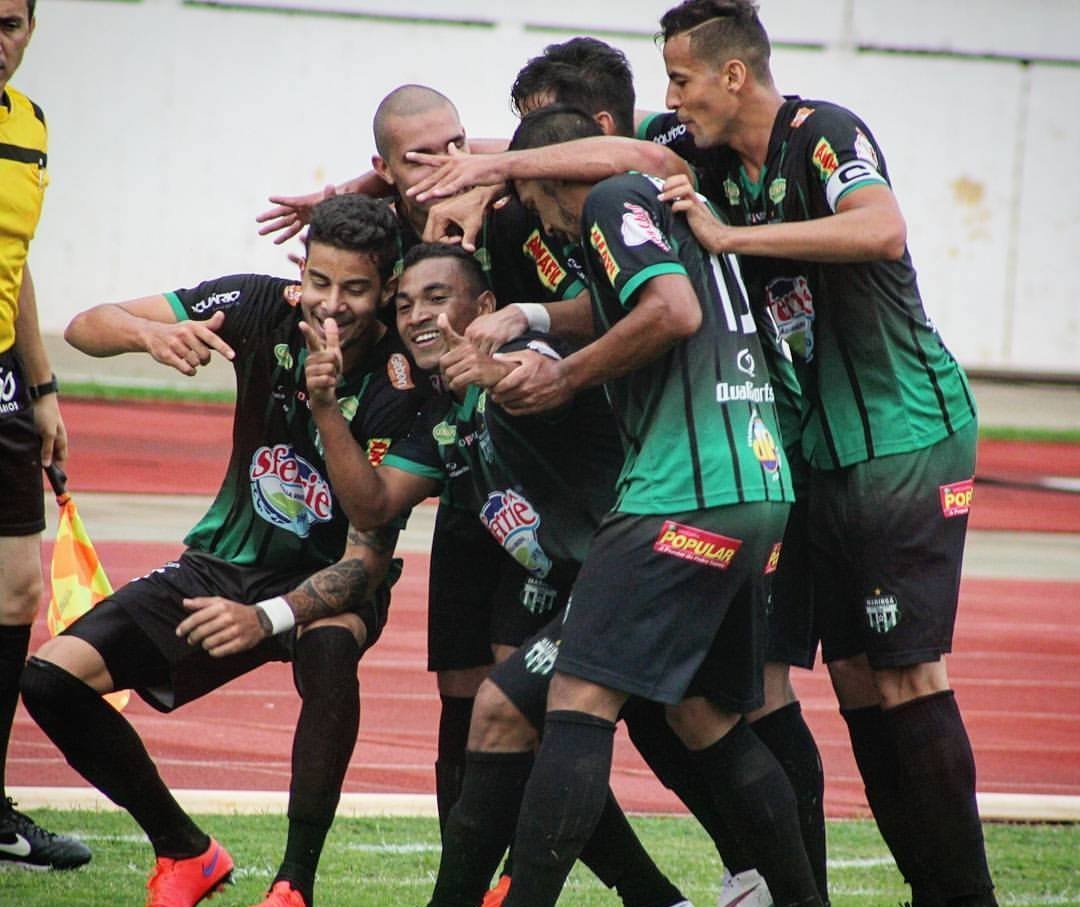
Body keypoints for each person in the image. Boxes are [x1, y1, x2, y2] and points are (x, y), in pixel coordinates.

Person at [410, 38, 825, 905]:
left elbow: (667, 312)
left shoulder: (609, 194)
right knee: (702, 714)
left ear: (558, 173)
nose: (543, 226)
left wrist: (562, 371)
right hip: (755, 489)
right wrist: (523, 331)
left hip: (683, 493)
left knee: (567, 701)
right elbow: (630, 303)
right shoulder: (669, 202)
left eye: (533, 199)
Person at [257, 83, 691, 842]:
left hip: (547, 464)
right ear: (384, 169)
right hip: (461, 476)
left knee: (535, 698)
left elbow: (615, 295)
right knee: (468, 697)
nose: (445, 164)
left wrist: (523, 324)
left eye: (457, 144)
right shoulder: (383, 226)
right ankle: (475, 869)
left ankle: (525, 874)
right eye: (418, 157)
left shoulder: (518, 206)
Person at [652, 3, 994, 905]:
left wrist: (732, 239)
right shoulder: (714, 158)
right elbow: (611, 141)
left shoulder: (822, 131)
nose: (671, 97)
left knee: (909, 673)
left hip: (904, 435)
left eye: (681, 78)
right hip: (821, 452)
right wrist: (463, 165)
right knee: (853, 680)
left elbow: (881, 228)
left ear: (733, 74)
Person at [18, 195, 427, 907]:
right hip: (224, 561)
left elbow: (367, 547)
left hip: (331, 578)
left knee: (330, 648)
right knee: (51, 679)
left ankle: (293, 883)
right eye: (321, 282)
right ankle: (186, 850)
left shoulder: (406, 375)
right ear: (301, 270)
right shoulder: (261, 303)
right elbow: (88, 325)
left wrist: (327, 404)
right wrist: (151, 338)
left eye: (356, 288)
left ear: (387, 288)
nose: (332, 305)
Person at [306, 241, 699, 907]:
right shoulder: (442, 411)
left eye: (437, 297)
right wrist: (322, 406)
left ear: (484, 308)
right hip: (571, 584)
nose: (417, 315)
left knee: (520, 710)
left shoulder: (520, 369)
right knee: (524, 723)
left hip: (632, 572)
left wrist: (499, 368)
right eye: (405, 304)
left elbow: (534, 374)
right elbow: (372, 503)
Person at [0, 0, 91, 870]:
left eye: (10, 25)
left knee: (18, 590)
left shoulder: (29, 125)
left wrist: (43, 387)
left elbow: (17, 261)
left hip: (0, 378)